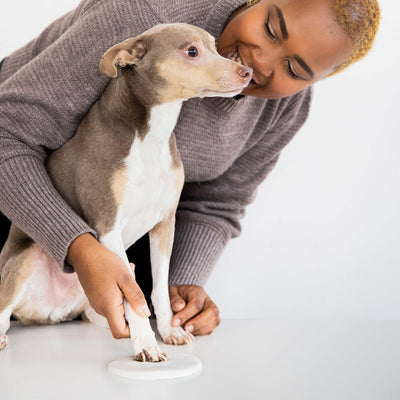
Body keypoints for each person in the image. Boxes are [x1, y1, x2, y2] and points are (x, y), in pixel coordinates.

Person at [0, 0, 380, 338]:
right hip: (17, 207)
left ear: (318, 80)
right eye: (270, 28)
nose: (260, 63)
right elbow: (7, 135)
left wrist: (182, 285)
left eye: (294, 69)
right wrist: (78, 248)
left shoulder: (285, 107)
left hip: (111, 245)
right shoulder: (147, 15)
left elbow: (217, 202)